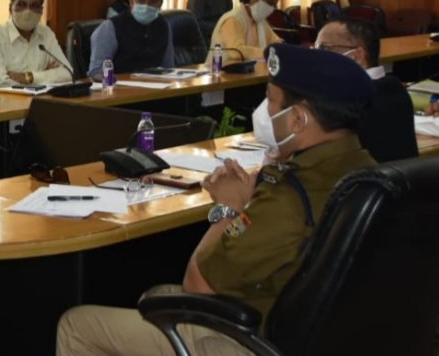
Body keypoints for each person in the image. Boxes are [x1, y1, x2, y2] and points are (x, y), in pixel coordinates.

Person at [57, 43, 377, 355]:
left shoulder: (289, 196)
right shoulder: (369, 171)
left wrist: (229, 208)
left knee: (77, 325)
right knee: (156, 296)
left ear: (298, 120)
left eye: (270, 100)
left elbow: (198, 285)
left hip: (258, 339)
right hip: (331, 334)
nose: (264, 111)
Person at [315, 18, 418, 162]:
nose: (315, 56)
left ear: (357, 55)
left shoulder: (348, 101)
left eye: (324, 48)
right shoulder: (394, 88)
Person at [0, 0, 73, 89]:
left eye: (34, 6)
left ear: (41, 11)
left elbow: (68, 73)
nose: (28, 11)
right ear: (10, 8)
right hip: (4, 99)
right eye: (21, 4)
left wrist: (29, 77)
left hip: (40, 98)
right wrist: (46, 77)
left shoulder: (46, 34)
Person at [87, 0, 175, 79]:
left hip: (157, 85)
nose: (146, 5)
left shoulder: (164, 25)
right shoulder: (110, 27)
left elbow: (168, 67)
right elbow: (97, 71)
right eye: (141, 0)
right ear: (131, 0)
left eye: (153, 1)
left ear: (160, 4)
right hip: (119, 86)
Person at [205, 0, 284, 65]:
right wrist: (267, 52)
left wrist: (284, 49)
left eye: (274, 5)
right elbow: (236, 51)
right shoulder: (233, 19)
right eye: (269, 3)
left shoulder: (260, 22)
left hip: (250, 70)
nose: (272, 8)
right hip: (221, 70)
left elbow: (275, 41)